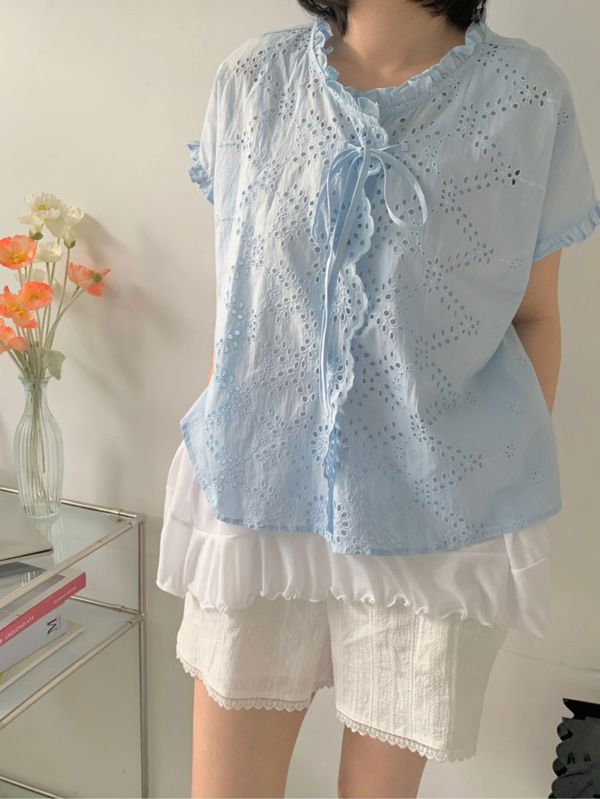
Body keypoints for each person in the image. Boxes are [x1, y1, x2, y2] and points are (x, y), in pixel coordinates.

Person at [156, 0, 600, 796]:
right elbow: (243, 303)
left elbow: (536, 317)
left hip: (432, 523)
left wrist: (490, 487)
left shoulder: (527, 96)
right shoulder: (254, 82)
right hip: (257, 492)